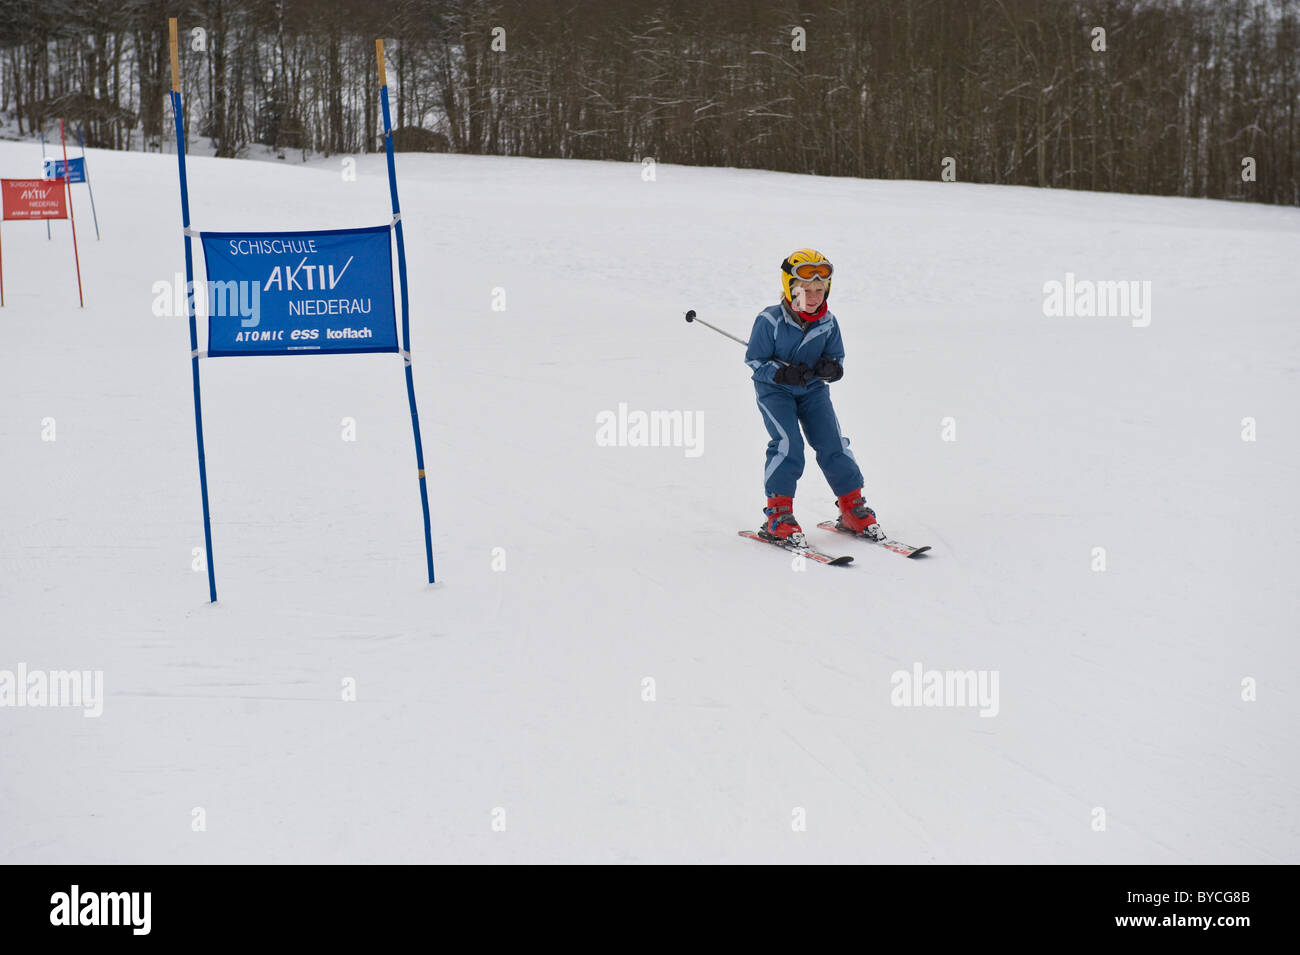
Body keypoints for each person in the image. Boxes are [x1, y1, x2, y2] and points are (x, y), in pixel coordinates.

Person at [744, 248, 884, 544]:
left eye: (820, 290)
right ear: (789, 288)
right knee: (788, 444)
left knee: (833, 443)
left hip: (813, 391)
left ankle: (851, 506)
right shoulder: (769, 320)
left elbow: (837, 357)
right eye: (805, 290)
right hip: (775, 392)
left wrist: (831, 368)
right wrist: (780, 373)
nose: (813, 296)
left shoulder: (828, 322)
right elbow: (755, 361)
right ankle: (778, 514)